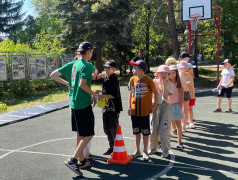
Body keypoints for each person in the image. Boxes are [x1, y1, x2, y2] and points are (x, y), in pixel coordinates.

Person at [63, 42, 106, 176]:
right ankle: (73, 159)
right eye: (92, 51)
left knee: (80, 134)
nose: (92, 53)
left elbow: (83, 80)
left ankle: (82, 161)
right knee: (89, 133)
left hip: (74, 103)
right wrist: (95, 94)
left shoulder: (76, 64)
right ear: (89, 51)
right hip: (82, 104)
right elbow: (83, 85)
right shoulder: (87, 65)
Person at [128, 60, 159, 161]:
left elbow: (156, 93)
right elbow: (130, 94)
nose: (133, 70)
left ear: (141, 70)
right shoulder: (132, 79)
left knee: (145, 132)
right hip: (134, 112)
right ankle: (137, 150)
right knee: (136, 132)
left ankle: (145, 151)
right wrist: (129, 107)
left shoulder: (148, 80)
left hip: (145, 111)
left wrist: (154, 106)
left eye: (135, 69)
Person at [97, 60, 123, 155]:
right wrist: (99, 92)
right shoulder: (105, 78)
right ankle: (111, 146)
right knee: (106, 128)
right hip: (105, 107)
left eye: (109, 68)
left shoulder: (114, 79)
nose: (106, 70)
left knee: (113, 128)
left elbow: (113, 95)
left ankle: (117, 147)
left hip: (113, 108)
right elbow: (106, 91)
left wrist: (102, 96)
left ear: (114, 69)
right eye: (106, 68)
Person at [149, 65, 173, 158]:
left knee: (164, 128)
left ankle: (165, 150)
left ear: (168, 74)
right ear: (158, 74)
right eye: (161, 73)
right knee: (153, 128)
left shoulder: (169, 84)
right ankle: (153, 148)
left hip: (165, 107)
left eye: (166, 73)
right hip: (155, 106)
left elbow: (166, 97)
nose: (163, 74)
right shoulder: (154, 82)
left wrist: (164, 85)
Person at [168, 65, 184, 149]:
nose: (171, 74)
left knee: (178, 124)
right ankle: (166, 142)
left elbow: (181, 96)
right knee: (167, 125)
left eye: (173, 72)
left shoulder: (179, 83)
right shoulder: (166, 82)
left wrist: (180, 106)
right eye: (169, 73)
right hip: (167, 105)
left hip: (176, 105)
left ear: (176, 73)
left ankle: (180, 142)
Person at [179, 61, 192, 133]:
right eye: (185, 67)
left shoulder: (187, 74)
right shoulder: (177, 75)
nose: (186, 68)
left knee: (186, 109)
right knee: (180, 110)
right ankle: (180, 124)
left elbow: (190, 81)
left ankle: (184, 125)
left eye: (187, 67)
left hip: (186, 92)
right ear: (181, 68)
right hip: (179, 93)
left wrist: (188, 83)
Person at [187, 63, 196, 129]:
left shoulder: (191, 75)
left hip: (191, 94)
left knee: (190, 108)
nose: (193, 69)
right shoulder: (183, 76)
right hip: (185, 94)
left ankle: (191, 122)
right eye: (191, 68)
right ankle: (184, 122)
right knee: (184, 109)